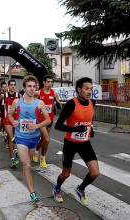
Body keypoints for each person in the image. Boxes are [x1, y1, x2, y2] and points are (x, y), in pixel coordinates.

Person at [53, 77, 99, 206]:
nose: (89, 91)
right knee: (66, 173)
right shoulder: (71, 103)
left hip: (85, 143)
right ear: (79, 89)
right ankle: (57, 188)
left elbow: (89, 120)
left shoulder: (92, 102)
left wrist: (91, 129)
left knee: (95, 173)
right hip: (70, 143)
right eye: (86, 89)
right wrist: (75, 128)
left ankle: (80, 188)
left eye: (91, 89)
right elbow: (58, 126)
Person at [8, 75, 50, 204]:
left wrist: (37, 126)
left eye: (34, 86)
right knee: (27, 165)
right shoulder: (17, 102)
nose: (32, 89)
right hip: (21, 137)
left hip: (34, 138)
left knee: (28, 160)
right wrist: (13, 121)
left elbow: (48, 120)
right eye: (29, 86)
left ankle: (17, 154)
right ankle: (32, 193)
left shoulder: (39, 103)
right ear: (24, 88)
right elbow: (10, 115)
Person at [33, 75, 62, 168]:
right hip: (41, 119)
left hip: (50, 119)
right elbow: (30, 100)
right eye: (48, 82)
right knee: (46, 139)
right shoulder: (38, 93)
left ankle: (36, 151)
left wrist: (58, 105)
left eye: (51, 82)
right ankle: (43, 158)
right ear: (44, 82)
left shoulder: (54, 93)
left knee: (43, 139)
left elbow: (59, 104)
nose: (50, 83)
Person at [0, 80, 21, 168]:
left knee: (18, 138)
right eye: (11, 85)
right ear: (8, 86)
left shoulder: (19, 95)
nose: (13, 87)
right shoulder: (4, 95)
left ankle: (16, 152)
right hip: (7, 119)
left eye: (14, 85)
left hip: (17, 119)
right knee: (11, 138)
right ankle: (12, 159)